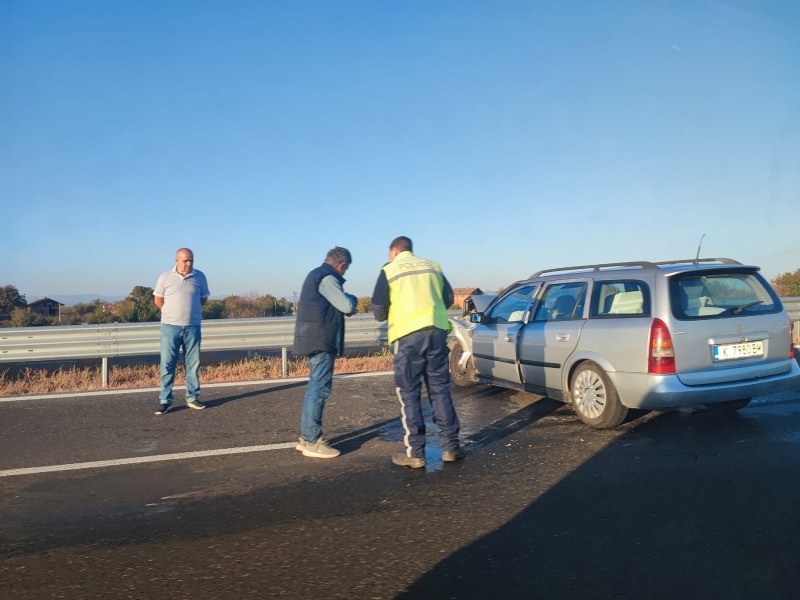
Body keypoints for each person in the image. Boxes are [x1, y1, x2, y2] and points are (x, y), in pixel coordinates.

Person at [371, 236, 464, 468]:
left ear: (394, 251)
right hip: (436, 333)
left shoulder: (390, 270)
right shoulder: (433, 266)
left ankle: (416, 454)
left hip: (408, 338)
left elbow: (379, 311)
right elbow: (448, 298)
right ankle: (451, 448)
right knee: (440, 390)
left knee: (409, 393)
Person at [293, 246, 358, 459]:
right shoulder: (328, 277)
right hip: (321, 340)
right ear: (341, 265)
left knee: (314, 387)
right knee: (319, 389)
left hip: (311, 338)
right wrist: (353, 299)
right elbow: (346, 305)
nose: (344, 273)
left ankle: (306, 438)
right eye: (345, 270)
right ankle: (312, 441)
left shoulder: (316, 274)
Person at [153, 248, 210, 415]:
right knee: (167, 363)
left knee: (192, 363)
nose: (189, 264)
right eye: (185, 261)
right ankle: (165, 399)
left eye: (191, 260)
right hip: (170, 327)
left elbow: (203, 298)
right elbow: (158, 299)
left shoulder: (199, 277)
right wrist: (171, 313)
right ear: (176, 260)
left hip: (192, 327)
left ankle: (192, 397)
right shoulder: (165, 277)